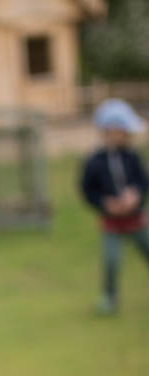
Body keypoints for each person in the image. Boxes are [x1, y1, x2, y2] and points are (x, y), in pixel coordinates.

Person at [80, 98, 149, 314]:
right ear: (110, 131)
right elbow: (88, 190)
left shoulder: (132, 157)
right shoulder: (94, 161)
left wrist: (136, 195)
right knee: (112, 261)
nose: (128, 135)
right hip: (112, 222)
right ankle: (110, 298)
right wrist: (104, 203)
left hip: (136, 219)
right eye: (124, 130)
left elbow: (143, 181)